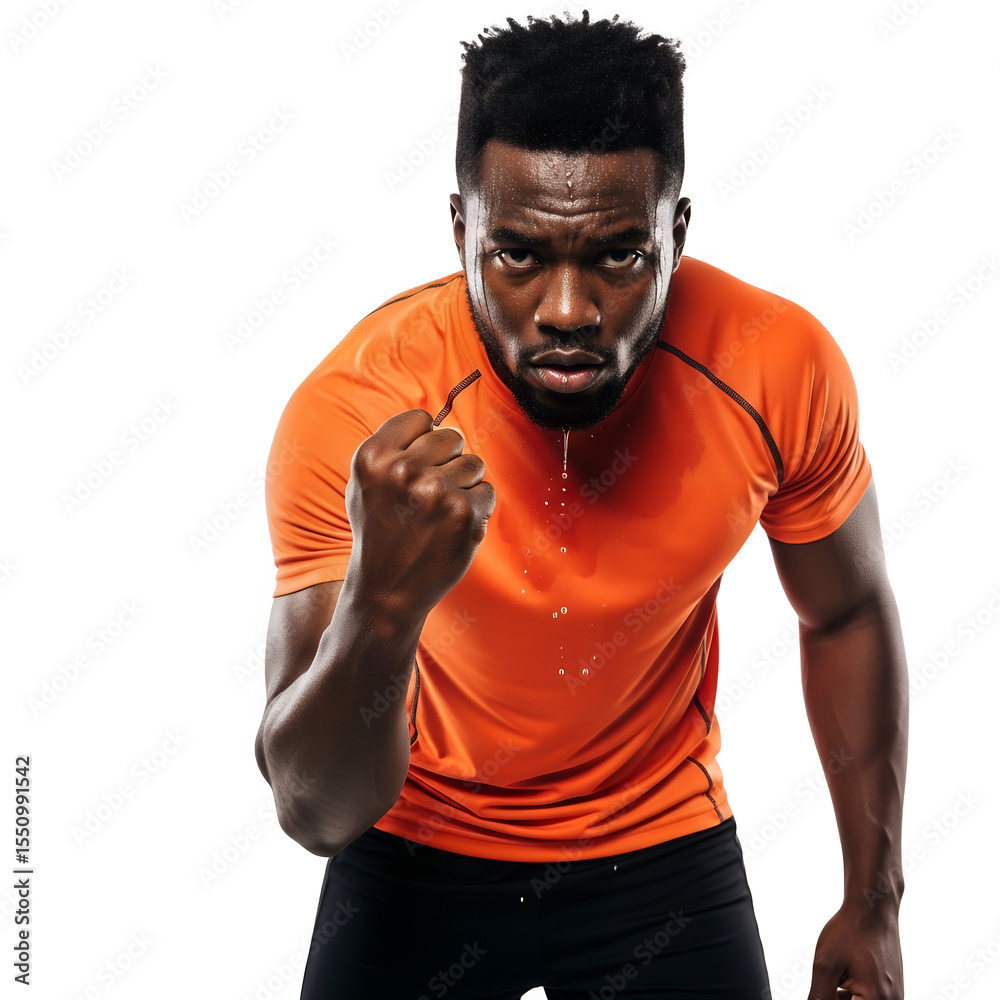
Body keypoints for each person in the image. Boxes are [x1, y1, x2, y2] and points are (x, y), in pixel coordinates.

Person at [255, 10, 908, 999]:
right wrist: (382, 603)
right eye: (517, 254)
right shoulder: (359, 414)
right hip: (416, 848)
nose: (567, 311)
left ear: (674, 233)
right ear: (460, 227)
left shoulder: (772, 367)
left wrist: (873, 902)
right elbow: (317, 812)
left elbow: (846, 610)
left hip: (657, 845)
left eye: (616, 254)